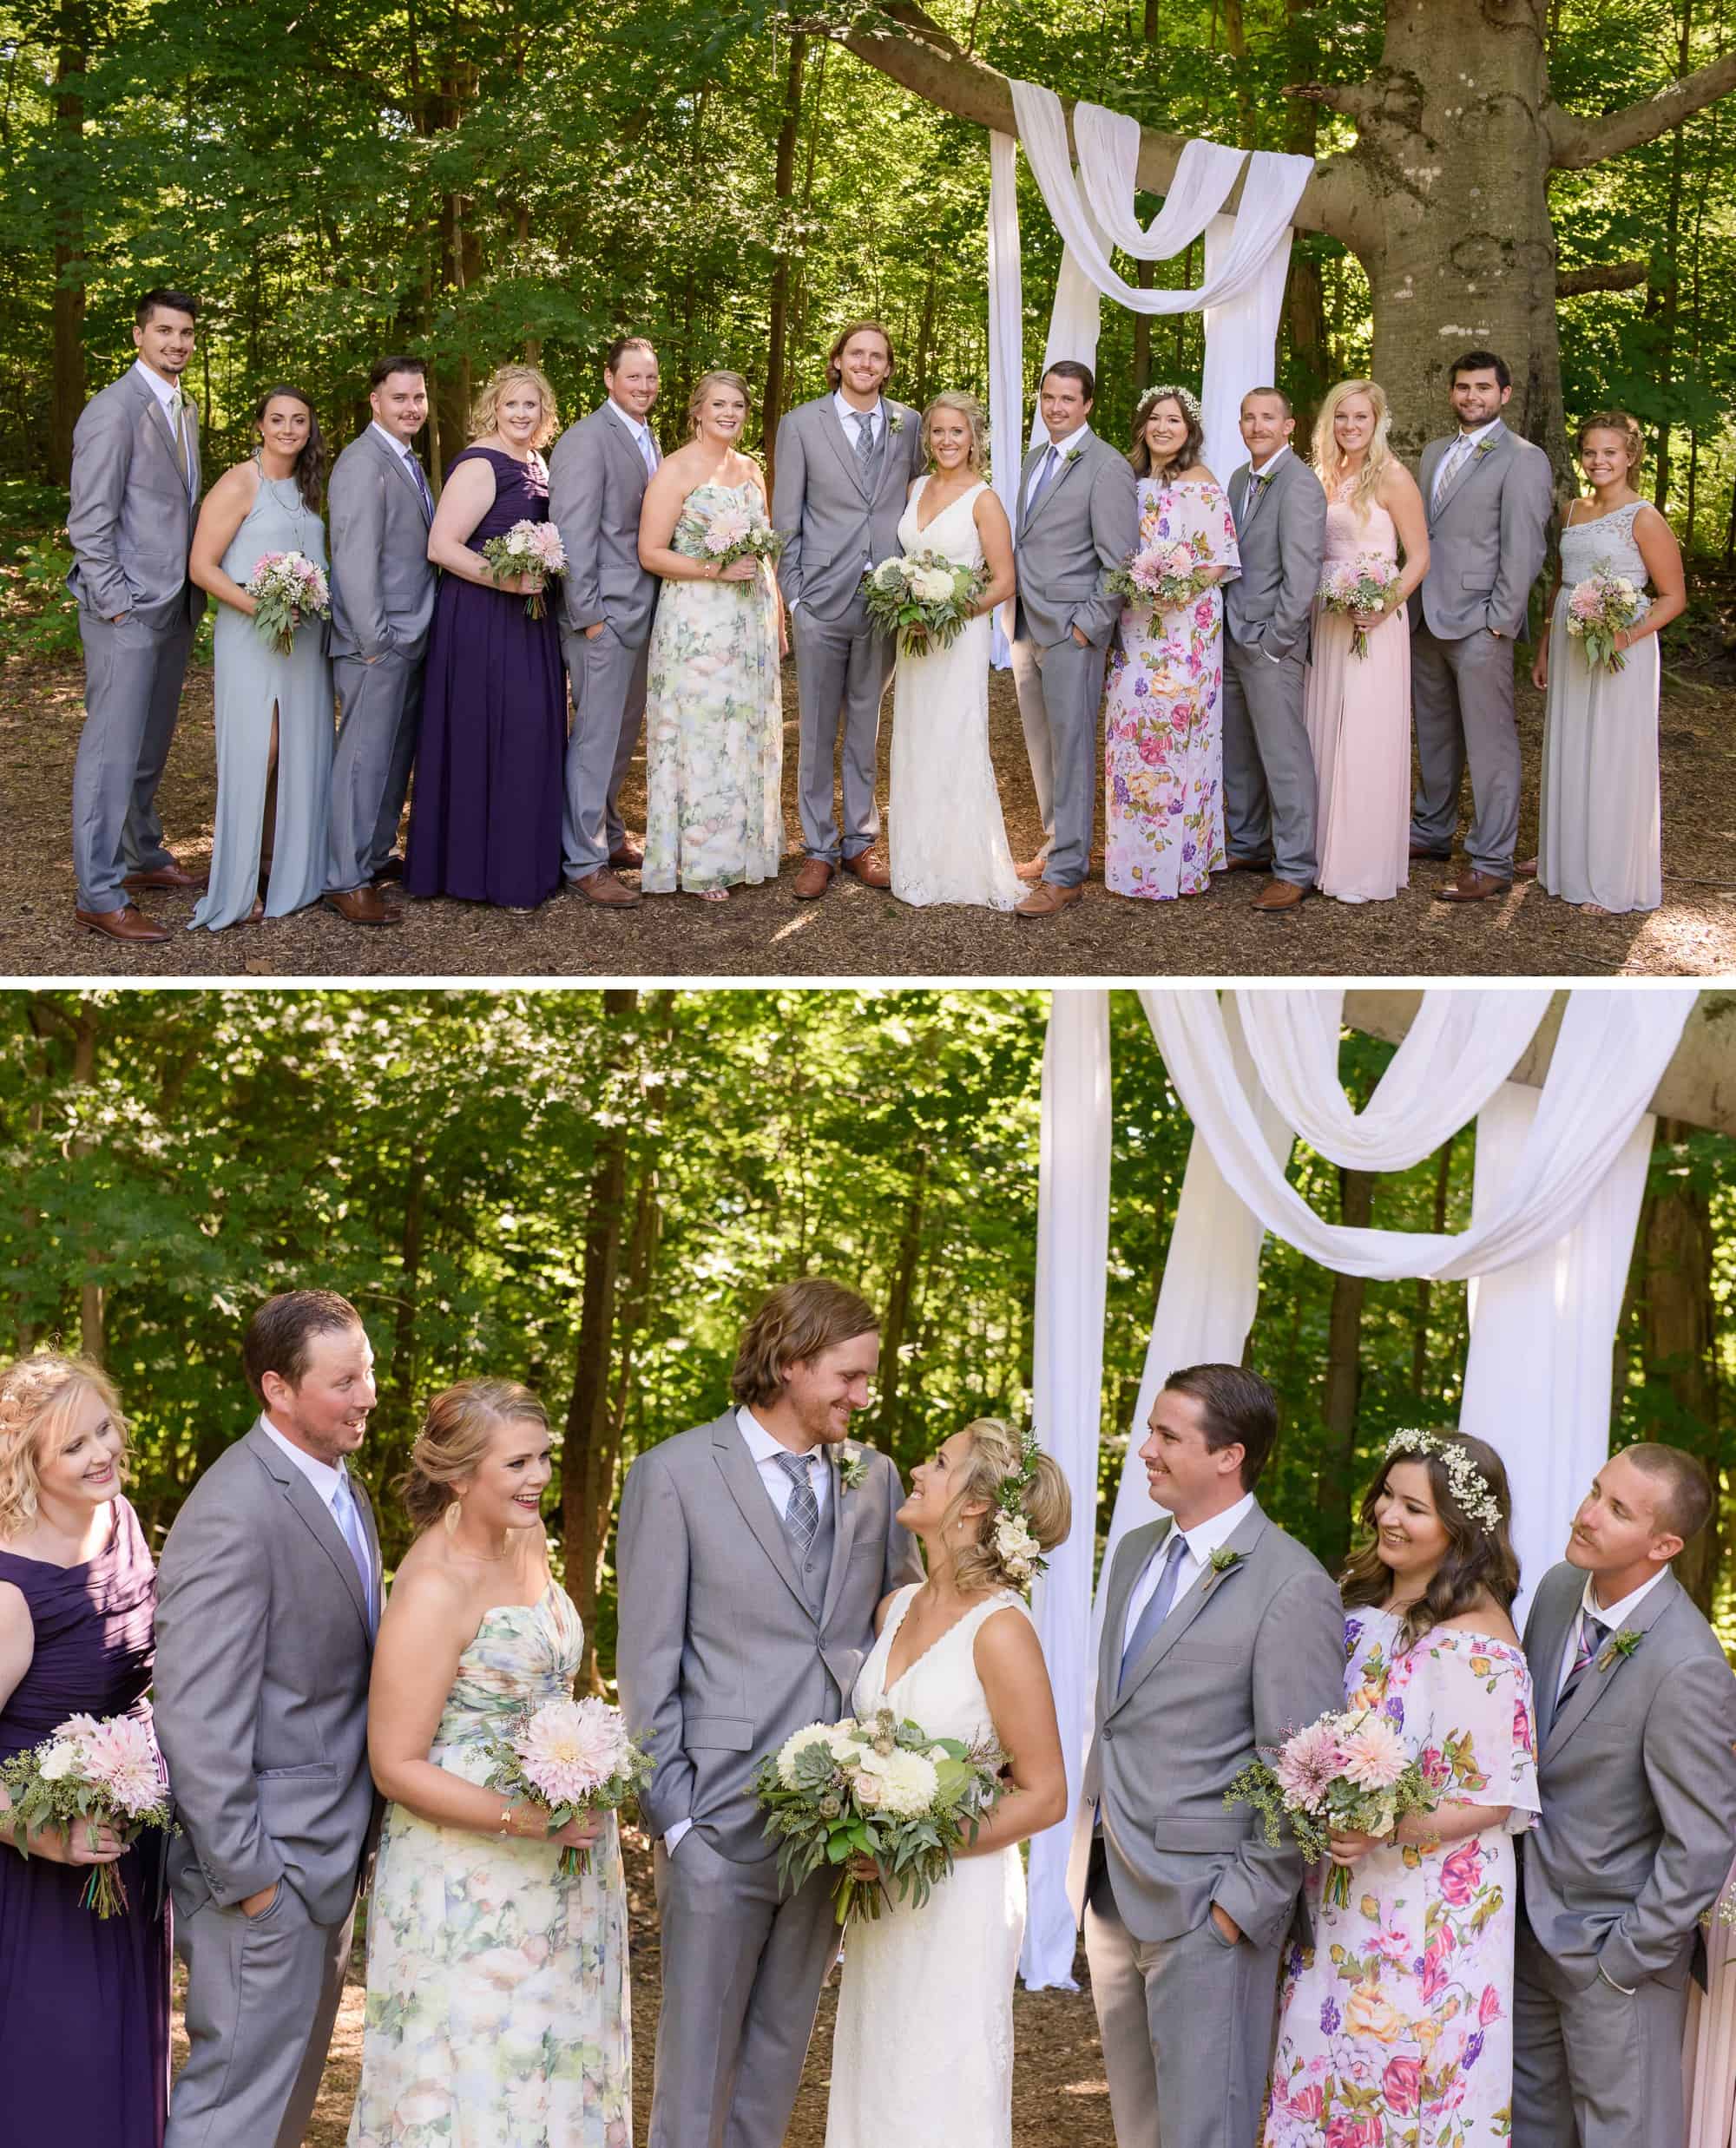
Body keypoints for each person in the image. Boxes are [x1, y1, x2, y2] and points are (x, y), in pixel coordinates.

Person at [616, 1278, 923, 2148]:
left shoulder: (874, 1478)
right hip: (713, 1818)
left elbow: (897, 1629)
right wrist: (674, 1821)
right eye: (849, 1376)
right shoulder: (671, 1474)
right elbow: (646, 1661)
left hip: (828, 1827)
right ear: (791, 1364)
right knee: (694, 2065)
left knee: (779, 2054)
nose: (864, 1396)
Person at [1067, 1363, 1344, 2148]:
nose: (1143, 1448)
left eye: (1166, 1435)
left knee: (1205, 2130)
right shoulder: (1134, 1552)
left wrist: (1237, 1910)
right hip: (1112, 1881)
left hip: (1207, 1910)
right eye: (1149, 1428)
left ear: (1230, 1456)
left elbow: (1303, 1770)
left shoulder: (1292, 1585)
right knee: (1141, 2127)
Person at [348, 1381, 630, 2146]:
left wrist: (588, 1759)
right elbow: (394, 1763)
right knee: (477, 2069)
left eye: (542, 1455)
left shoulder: (527, 1536)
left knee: (555, 2057)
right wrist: (530, 1818)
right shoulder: (432, 1585)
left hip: (565, 1863)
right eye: (517, 1462)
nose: (538, 1475)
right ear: (460, 1474)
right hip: (467, 1874)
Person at [1265, 1429, 1540, 2145]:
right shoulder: (1354, 1605)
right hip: (1341, 1891)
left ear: (1461, 1526)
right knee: (1322, 2057)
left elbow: (1497, 1795)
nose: (1389, 1513)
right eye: (1387, 1494)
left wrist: (1385, 1827)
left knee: (1403, 2080)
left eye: (1414, 1506)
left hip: (1430, 1911)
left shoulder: (1479, 1639)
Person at [155, 1291, 382, 2148]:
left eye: (367, 1370)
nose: (367, 1394)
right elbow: (195, 1715)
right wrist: (252, 1880)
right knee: (232, 2112)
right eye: (344, 1380)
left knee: (278, 2114)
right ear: (277, 1389)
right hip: (265, 1872)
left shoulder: (341, 1489)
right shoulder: (233, 1509)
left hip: (327, 1859)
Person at [825, 1418, 1070, 2147]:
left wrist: (917, 1845)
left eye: (940, 1460)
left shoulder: (1001, 1629)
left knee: (936, 2093)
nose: (920, 1468)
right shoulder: (894, 1607)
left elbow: (1045, 1793)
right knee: (877, 2079)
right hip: (878, 1900)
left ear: (972, 1505)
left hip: (955, 1895)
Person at [1514, 1443, 1736, 2148]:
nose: (1586, 1515)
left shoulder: (1688, 1662)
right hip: (1522, 1938)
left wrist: (1623, 1960)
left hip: (1615, 1964)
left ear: (1664, 1543)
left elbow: (1701, 1839)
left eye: (1616, 1509)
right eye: (1593, 1491)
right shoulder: (1554, 1592)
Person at [0, 1356, 168, 2146]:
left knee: (123, 2065)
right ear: (30, 1460)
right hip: (34, 1871)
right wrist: (39, 1832)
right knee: (58, 2080)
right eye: (74, 1445)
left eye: (104, 1429)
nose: (102, 1452)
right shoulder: (10, 1592)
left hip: (125, 1845)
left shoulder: (123, 1518)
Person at [67, 288, 207, 946]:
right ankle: (98, 892)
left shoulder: (183, 408)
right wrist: (117, 603)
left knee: (150, 744)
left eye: (185, 333)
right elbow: (89, 523)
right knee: (111, 753)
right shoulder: (113, 411)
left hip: (173, 604)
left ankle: (141, 853)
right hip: (124, 610)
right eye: (164, 331)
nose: (176, 343)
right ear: (138, 337)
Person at [404, 365, 567, 910]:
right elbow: (441, 547)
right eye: (511, 405)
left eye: (532, 406)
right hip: (481, 619)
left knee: (530, 733)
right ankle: (478, 872)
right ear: (492, 409)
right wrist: (506, 577)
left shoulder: (538, 462)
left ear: (545, 413)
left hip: (529, 619)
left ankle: (523, 864)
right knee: (490, 732)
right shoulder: (480, 463)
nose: (522, 415)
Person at [772, 320, 924, 899]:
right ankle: (817, 847)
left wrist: (911, 584)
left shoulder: (908, 424)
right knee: (815, 728)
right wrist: (798, 596)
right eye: (855, 353)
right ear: (837, 360)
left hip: (884, 599)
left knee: (866, 722)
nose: (865, 363)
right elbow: (787, 515)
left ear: (887, 367)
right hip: (821, 597)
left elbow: (915, 501)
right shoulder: (800, 424)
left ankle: (860, 841)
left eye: (877, 356)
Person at [1528, 410, 1686, 916]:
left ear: (1631, 456)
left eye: (1609, 452)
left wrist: (1626, 635)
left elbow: (1672, 597)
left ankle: (1610, 874)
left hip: (1623, 648)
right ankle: (1567, 860)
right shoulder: (1574, 510)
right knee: (1573, 746)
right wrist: (1547, 647)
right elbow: (1561, 582)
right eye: (1591, 452)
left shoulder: (1644, 517)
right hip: (1574, 640)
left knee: (1613, 753)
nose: (1598, 461)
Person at [188, 384, 334, 932]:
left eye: (299, 419)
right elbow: (202, 567)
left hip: (303, 640)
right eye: (278, 419)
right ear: (259, 425)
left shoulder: (307, 486)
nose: (289, 429)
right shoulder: (238, 482)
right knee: (261, 751)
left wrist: (311, 596)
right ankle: (238, 882)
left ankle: (281, 868)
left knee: (298, 748)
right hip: (253, 636)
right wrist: (259, 607)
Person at [637, 369, 786, 902]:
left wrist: (778, 620)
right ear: (697, 409)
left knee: (745, 733)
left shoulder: (750, 469)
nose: (730, 413)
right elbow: (651, 553)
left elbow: (765, 548)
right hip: (696, 622)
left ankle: (748, 850)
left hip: (750, 621)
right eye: (719, 404)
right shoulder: (674, 470)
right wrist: (713, 569)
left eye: (739, 406)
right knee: (701, 736)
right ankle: (701, 862)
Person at [1409, 349, 1553, 903]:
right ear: (1453, 393)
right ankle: (1431, 830)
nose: (1472, 397)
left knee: (1491, 744)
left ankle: (1492, 860)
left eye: (1483, 388)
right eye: (1463, 387)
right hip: (1427, 615)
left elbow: (1526, 546)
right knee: (1437, 734)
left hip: (1480, 623)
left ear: (1505, 395)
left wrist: (1501, 621)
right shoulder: (1433, 453)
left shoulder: (1523, 457)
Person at [1009, 359, 1140, 918]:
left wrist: (1088, 625)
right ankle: (1054, 842)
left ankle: (1067, 874)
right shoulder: (1035, 458)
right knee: (1042, 748)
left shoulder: (1107, 467)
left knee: (1073, 748)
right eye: (1048, 397)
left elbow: (1120, 562)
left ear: (1087, 405)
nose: (1056, 407)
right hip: (1026, 625)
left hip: (1071, 633)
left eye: (1068, 399)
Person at [1102, 384, 1240, 902]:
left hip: (1189, 626)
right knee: (1132, 729)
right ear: (1142, 426)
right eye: (1155, 418)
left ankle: (1180, 864)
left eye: (1174, 421)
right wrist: (1145, 590)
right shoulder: (1128, 480)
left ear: (1189, 431)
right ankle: (1133, 863)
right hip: (1137, 623)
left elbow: (1220, 558)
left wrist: (1177, 591)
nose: (1163, 427)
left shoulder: (1201, 482)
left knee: (1180, 734)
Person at [886, 391, 1023, 910]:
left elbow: (1004, 581)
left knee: (954, 736)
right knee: (916, 739)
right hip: (913, 639)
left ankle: (962, 865)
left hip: (956, 636)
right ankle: (918, 859)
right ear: (929, 437)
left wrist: (944, 614)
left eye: (957, 432)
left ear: (974, 439)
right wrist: (906, 605)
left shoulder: (983, 499)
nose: (947, 440)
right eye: (939, 431)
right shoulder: (915, 486)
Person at [1303, 379, 1430, 903]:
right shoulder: (1321, 476)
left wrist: (1382, 606)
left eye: (1360, 418)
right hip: (1327, 619)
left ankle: (1360, 862)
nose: (1350, 427)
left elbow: (1419, 557)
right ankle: (1317, 854)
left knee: (1364, 734)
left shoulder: (1393, 477)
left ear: (1378, 423)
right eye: (1341, 418)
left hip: (1373, 622)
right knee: (1323, 730)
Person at [549, 334, 664, 911]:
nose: (644, 386)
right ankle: (584, 860)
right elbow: (570, 531)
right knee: (594, 739)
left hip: (643, 612)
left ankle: (610, 833)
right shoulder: (585, 440)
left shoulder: (649, 437)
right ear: (608, 378)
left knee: (621, 737)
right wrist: (589, 615)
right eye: (633, 376)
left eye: (651, 377)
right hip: (603, 617)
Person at [324, 355, 437, 929]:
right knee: (363, 761)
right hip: (377, 641)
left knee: (393, 760)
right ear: (376, 401)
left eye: (418, 397)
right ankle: (344, 878)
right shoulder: (360, 463)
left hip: (410, 636)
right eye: (400, 398)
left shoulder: (406, 460)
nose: (412, 407)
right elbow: (353, 560)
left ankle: (372, 854)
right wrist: (375, 640)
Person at [1220, 386, 1329, 915]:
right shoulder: (1240, 479)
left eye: (1268, 418)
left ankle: (1295, 867)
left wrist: (1276, 640)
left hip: (1268, 641)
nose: (1257, 425)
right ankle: (1248, 845)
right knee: (1238, 750)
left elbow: (1302, 570)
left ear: (1290, 426)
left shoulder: (1300, 484)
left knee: (1283, 756)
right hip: (1230, 634)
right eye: (1249, 417)